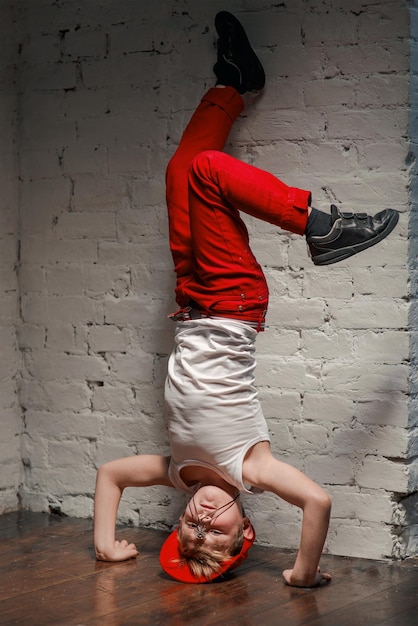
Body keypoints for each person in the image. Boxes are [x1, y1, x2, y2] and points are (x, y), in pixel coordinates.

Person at [93, 11, 399, 587]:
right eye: (217, 533)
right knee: (208, 171)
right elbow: (318, 502)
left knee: (181, 168)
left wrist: (109, 546)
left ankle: (234, 81)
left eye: (190, 531)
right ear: (246, 531)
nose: (202, 522)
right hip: (232, 299)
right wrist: (302, 575)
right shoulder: (251, 468)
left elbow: (110, 475)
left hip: (191, 299)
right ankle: (322, 226)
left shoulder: (174, 474)